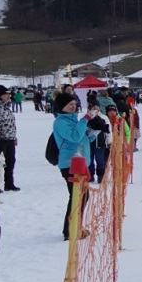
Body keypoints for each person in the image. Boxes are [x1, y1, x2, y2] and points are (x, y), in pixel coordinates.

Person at [52, 92, 95, 241]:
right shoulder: (60, 122)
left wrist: (95, 129)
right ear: (62, 107)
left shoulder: (73, 120)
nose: (73, 107)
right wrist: (85, 120)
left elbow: (83, 137)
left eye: (74, 104)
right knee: (77, 196)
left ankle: (76, 226)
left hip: (80, 162)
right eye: (70, 104)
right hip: (69, 164)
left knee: (82, 196)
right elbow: (74, 136)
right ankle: (70, 230)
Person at [87, 105, 111, 183]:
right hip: (89, 143)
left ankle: (101, 176)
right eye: (93, 107)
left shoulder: (104, 117)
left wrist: (109, 141)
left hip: (100, 142)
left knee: (100, 159)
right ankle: (90, 175)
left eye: (97, 107)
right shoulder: (86, 117)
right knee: (89, 159)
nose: (95, 109)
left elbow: (108, 130)